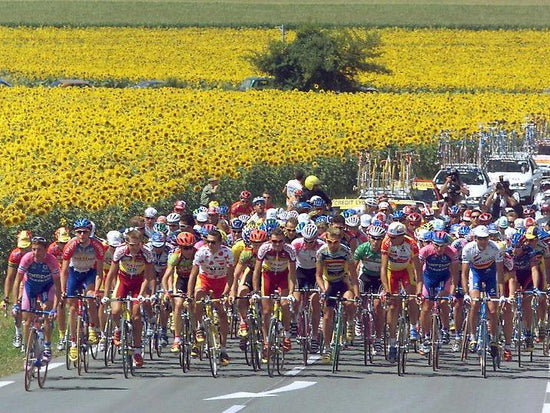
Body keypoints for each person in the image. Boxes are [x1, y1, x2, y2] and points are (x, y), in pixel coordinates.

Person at [102, 229, 153, 368]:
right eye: (131, 245)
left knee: (136, 317)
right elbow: (111, 275)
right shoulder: (120, 251)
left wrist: (142, 293)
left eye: (137, 245)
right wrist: (106, 295)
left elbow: (148, 276)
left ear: (141, 243)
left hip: (138, 283)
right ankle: (118, 329)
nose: (134, 248)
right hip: (123, 281)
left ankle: (137, 350)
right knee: (115, 311)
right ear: (126, 243)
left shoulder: (146, 253)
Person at [187, 229, 234, 365]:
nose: (209, 244)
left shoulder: (227, 253)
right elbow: (193, 275)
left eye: (213, 242)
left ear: (220, 243)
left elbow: (231, 276)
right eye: (207, 241)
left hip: (221, 281)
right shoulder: (201, 252)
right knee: (198, 297)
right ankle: (200, 327)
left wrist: (227, 292)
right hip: (205, 279)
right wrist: (190, 294)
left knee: (222, 313)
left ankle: (223, 349)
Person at [12, 236, 61, 364]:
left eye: (39, 250)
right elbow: (17, 282)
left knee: (47, 311)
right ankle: (28, 353)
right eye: (33, 249)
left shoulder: (51, 261)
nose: (35, 253)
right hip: (30, 287)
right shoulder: (27, 258)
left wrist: (55, 309)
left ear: (45, 250)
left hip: (47, 287)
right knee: (27, 320)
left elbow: (57, 287)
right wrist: (15, 304)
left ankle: (47, 347)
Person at [61, 218, 104, 363]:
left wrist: (97, 290)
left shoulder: (97, 246)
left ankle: (92, 327)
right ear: (75, 233)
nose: (81, 235)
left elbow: (99, 272)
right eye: (78, 232)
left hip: (89, 274)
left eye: (84, 232)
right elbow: (64, 270)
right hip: (74, 273)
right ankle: (73, 343)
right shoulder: (70, 245)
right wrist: (62, 290)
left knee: (90, 298)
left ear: (89, 232)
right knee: (72, 309)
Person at [380, 222, 423, 363]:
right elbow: (383, 267)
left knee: (411, 299)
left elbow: (418, 269)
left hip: (406, 270)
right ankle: (392, 343)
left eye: (394, 237)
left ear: (402, 236)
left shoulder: (412, 244)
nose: (391, 239)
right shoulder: (386, 243)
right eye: (390, 236)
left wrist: (419, 290)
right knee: (393, 305)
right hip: (391, 271)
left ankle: (413, 327)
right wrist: (386, 289)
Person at [315, 227, 359, 364]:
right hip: (329, 281)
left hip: (343, 280)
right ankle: (327, 347)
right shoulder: (322, 252)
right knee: (327, 315)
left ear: (340, 241)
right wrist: (323, 291)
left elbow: (353, 275)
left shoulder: (346, 251)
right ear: (326, 240)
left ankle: (350, 321)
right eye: (329, 242)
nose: (332, 245)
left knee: (349, 301)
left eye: (335, 242)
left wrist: (357, 295)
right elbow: (318, 275)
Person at [253, 227, 297, 359]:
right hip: (268, 276)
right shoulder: (264, 249)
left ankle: (287, 334)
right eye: (274, 241)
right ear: (270, 240)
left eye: (280, 241)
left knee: (284, 304)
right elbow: (256, 271)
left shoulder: (290, 250)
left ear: (284, 241)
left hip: (283, 276)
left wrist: (291, 292)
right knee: (266, 311)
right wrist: (256, 291)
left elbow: (292, 273)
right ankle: (266, 341)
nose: (277, 244)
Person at [461, 225, 504, 357]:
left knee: (492, 309)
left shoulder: (495, 248)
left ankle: (493, 338)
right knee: (474, 304)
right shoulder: (468, 249)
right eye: (480, 239)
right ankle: (473, 337)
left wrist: (502, 295)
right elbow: (464, 273)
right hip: (476, 274)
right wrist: (466, 293)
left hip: (491, 274)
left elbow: (500, 274)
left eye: (485, 238)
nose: (483, 241)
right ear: (475, 239)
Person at [417, 231, 459, 356]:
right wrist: (418, 291)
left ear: (447, 245)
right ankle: (425, 336)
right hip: (428, 278)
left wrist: (452, 293)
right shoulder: (425, 251)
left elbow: (455, 274)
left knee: (444, 302)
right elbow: (418, 272)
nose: (439, 248)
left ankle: (445, 329)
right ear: (432, 243)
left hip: (444, 278)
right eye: (436, 245)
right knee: (426, 306)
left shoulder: (452, 253)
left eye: (442, 245)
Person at [353, 225, 386, 355]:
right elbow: (353, 269)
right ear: (368, 237)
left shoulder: (385, 250)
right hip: (365, 277)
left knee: (378, 307)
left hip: (379, 278)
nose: (376, 242)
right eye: (373, 238)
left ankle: (378, 338)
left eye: (379, 239)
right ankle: (359, 319)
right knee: (359, 300)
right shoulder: (362, 248)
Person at [291, 223, 324, 353]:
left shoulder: (321, 246)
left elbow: (324, 267)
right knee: (296, 300)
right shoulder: (296, 244)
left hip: (315, 273)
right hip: (300, 272)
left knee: (315, 303)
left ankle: (315, 336)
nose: (309, 243)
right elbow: (291, 265)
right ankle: (294, 320)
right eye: (306, 240)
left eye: (312, 241)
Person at [162, 231, 197, 353]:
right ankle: (177, 338)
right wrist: (167, 292)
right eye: (185, 248)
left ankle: (196, 334)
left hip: (195, 280)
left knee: (193, 305)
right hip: (181, 279)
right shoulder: (176, 256)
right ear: (180, 247)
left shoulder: (197, 254)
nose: (188, 251)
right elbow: (166, 276)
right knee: (177, 305)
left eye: (190, 248)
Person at [4, 230, 32, 349]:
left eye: (26, 247)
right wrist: (6, 297)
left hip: (34, 278)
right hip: (21, 279)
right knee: (18, 305)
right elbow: (10, 278)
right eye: (21, 247)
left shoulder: (36, 252)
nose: (24, 250)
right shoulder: (15, 255)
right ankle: (18, 333)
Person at [47, 227, 71, 351]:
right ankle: (62, 335)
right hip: (57, 275)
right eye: (61, 242)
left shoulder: (73, 245)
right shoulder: (52, 249)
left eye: (66, 242)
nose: (64, 245)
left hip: (70, 274)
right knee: (60, 304)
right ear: (57, 241)